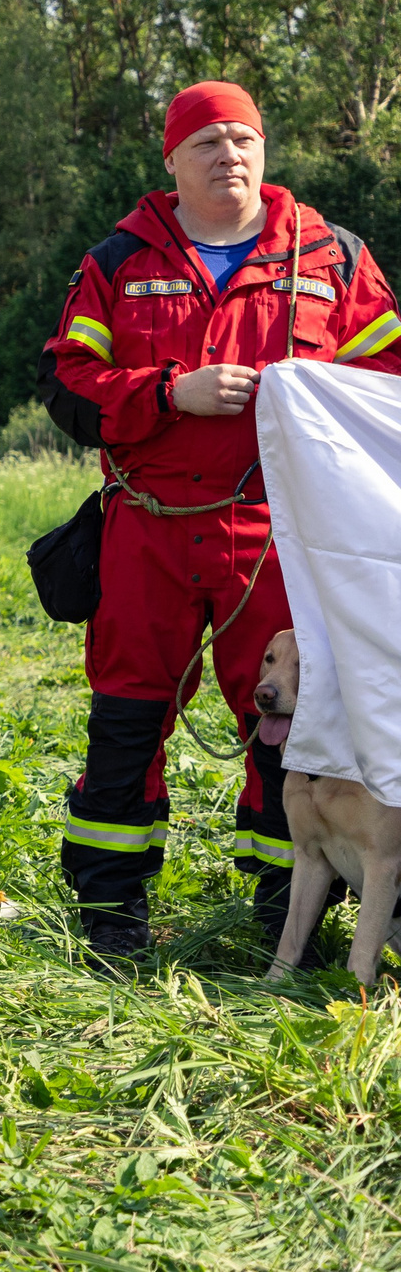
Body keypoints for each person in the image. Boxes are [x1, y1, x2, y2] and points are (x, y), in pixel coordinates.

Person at [40, 80, 401, 961]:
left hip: (280, 536)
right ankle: (112, 915)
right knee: (126, 717)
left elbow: (386, 389)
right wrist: (169, 392)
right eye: (206, 142)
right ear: (171, 159)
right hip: (148, 529)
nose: (228, 155)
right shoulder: (120, 258)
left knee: (293, 722)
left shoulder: (331, 256)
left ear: (265, 150)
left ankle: (290, 909)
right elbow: (67, 389)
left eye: (244, 138)